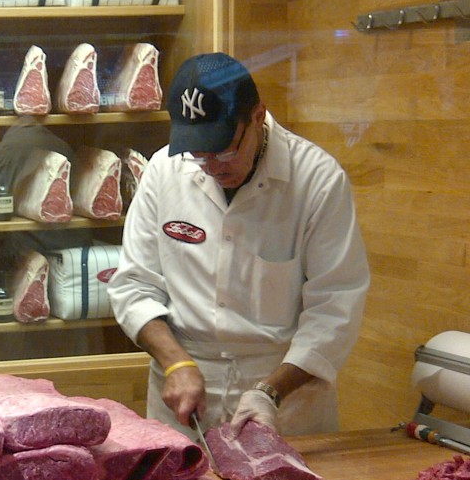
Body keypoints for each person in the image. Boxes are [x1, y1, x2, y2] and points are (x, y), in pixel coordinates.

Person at [107, 52, 370, 437]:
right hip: (184, 391)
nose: (213, 165)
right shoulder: (165, 170)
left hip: (284, 392)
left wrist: (270, 392)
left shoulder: (316, 179)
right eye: (198, 153)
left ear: (258, 116)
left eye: (225, 149)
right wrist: (176, 363)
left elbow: (335, 307)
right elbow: (134, 285)